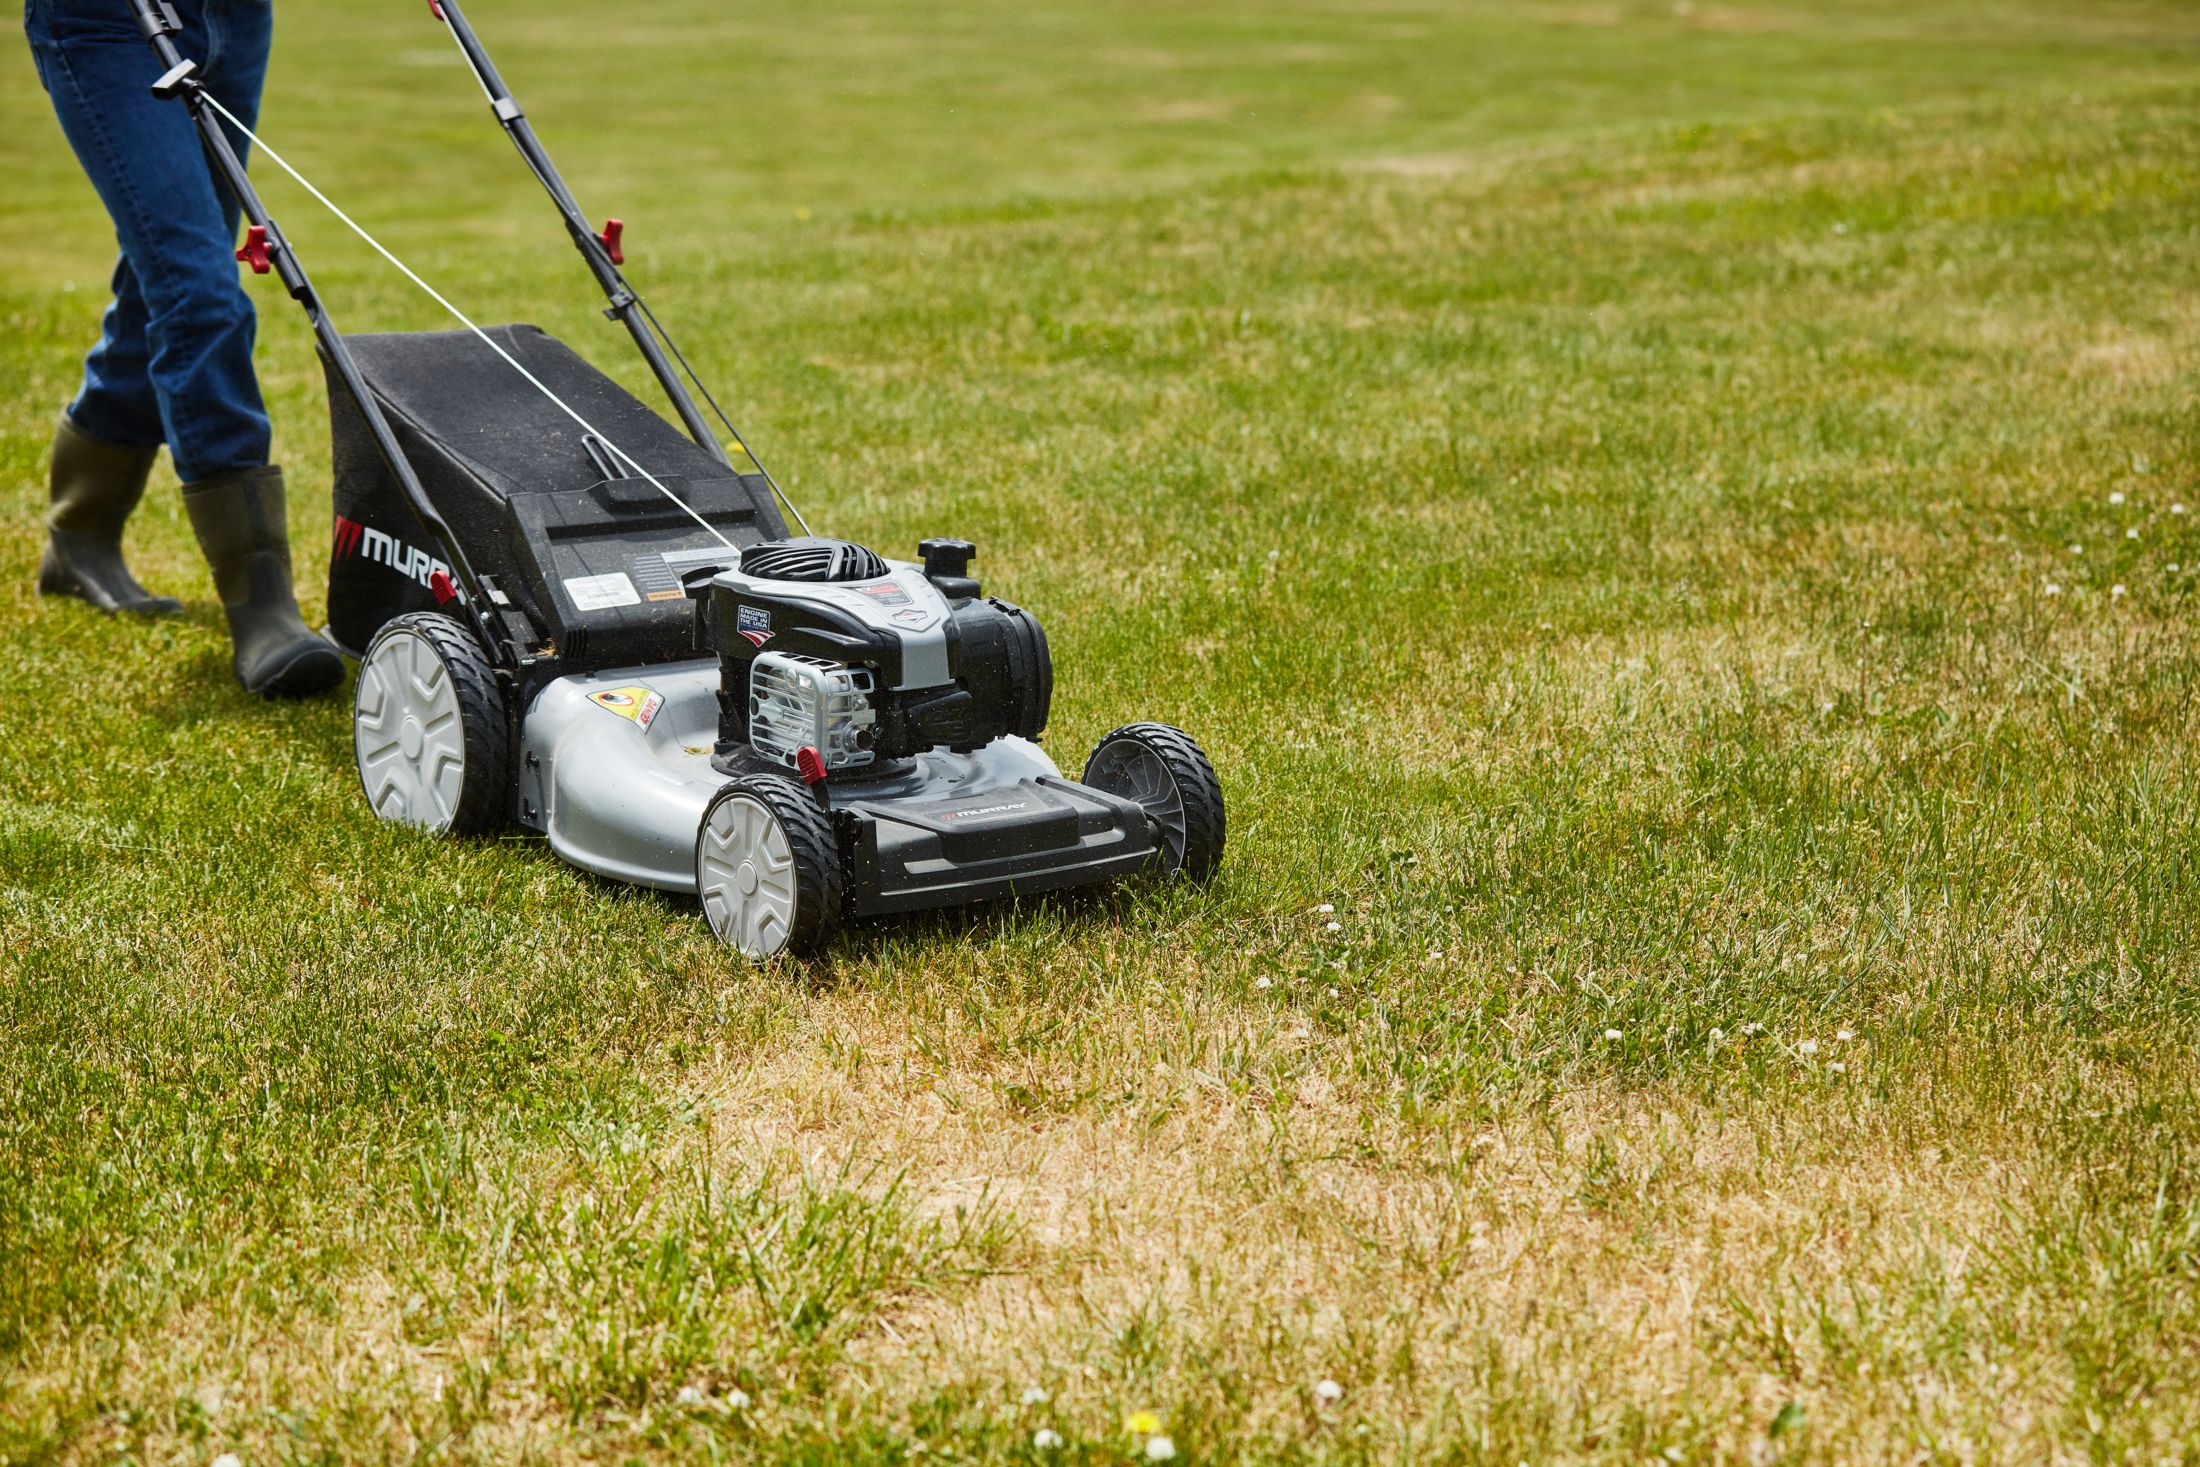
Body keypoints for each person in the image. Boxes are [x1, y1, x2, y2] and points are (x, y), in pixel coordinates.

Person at [25, 0, 341, 697]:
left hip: (235, 18)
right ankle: (262, 606)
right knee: (197, 293)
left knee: (161, 283)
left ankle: (79, 535)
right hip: (103, 22)